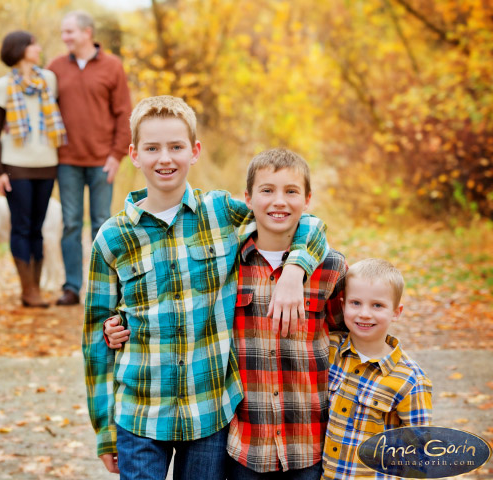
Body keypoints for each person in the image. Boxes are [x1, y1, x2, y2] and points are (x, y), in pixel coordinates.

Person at [84, 96, 329, 480]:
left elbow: (302, 221)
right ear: (134, 154)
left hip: (210, 411)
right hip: (140, 413)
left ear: (194, 151)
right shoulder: (113, 238)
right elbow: (95, 340)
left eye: (176, 147)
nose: (165, 158)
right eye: (152, 148)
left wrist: (296, 270)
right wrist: (104, 431)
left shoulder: (218, 212)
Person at [224, 149, 347, 480]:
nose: (279, 201)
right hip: (247, 445)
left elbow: (345, 333)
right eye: (267, 190)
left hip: (310, 442)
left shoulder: (331, 267)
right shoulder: (228, 266)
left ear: (307, 199)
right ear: (247, 198)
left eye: (291, 191)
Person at [47, 10, 132, 306]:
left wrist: (116, 155)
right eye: (63, 32)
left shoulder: (112, 67)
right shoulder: (55, 67)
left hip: (101, 161)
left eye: (69, 31)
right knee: (70, 224)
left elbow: (124, 113)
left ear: (87, 33)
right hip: (67, 160)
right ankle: (71, 287)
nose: (64, 37)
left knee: (101, 225)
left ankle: (104, 290)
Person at [322, 258, 433, 480]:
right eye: (355, 303)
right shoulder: (329, 349)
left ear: (396, 312)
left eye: (377, 305)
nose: (364, 313)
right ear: (342, 304)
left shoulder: (410, 380)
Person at [0, 31, 66, 308]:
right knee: (21, 227)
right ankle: (28, 289)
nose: (38, 48)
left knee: (37, 228)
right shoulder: (1, 86)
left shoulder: (49, 80)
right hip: (15, 166)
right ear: (21, 49)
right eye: (34, 44)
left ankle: (34, 285)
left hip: (47, 164)